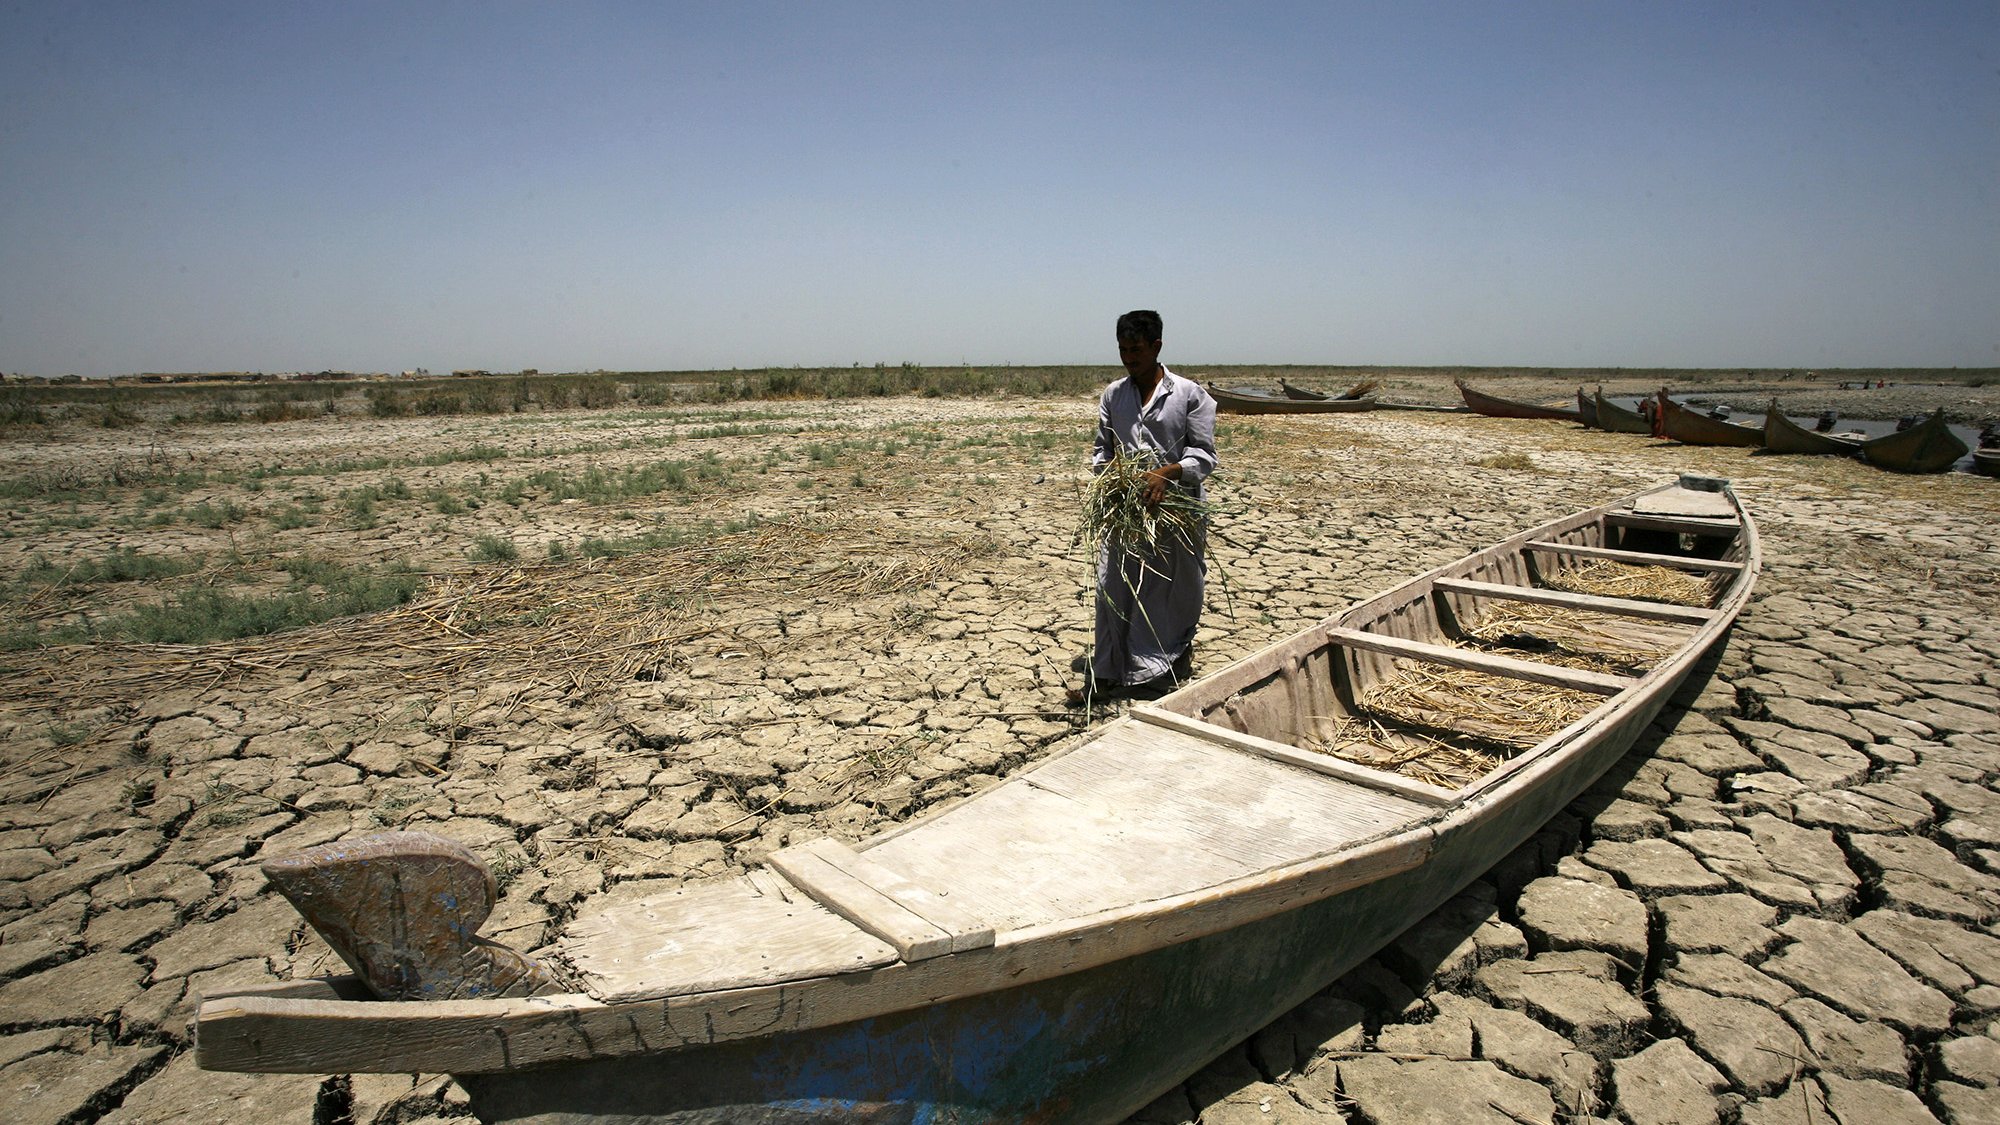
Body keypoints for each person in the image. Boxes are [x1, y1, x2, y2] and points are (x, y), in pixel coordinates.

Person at [1072, 310, 1218, 704]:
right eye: (1123, 350)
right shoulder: (1114, 395)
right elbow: (1103, 450)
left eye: (1136, 350)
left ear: (1156, 347)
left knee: (1170, 590)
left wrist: (1169, 472)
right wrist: (1113, 475)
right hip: (1126, 511)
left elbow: (1204, 456)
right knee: (1113, 586)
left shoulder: (1189, 395)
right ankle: (1106, 674)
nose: (1129, 358)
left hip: (1177, 511)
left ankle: (1160, 667)